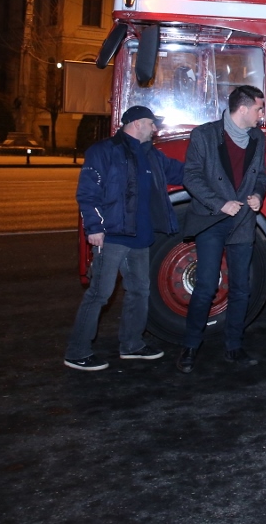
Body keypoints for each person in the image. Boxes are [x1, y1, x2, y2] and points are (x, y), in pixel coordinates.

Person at [64, 106, 183, 371]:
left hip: (140, 236)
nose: (155, 129)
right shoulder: (104, 151)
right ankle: (77, 351)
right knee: (99, 294)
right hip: (112, 236)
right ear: (137, 123)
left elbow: (182, 173)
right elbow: (87, 193)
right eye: (152, 124)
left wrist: (214, 173)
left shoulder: (152, 155)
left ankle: (132, 345)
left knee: (140, 291)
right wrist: (94, 227)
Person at [178, 85, 266, 372]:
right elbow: (191, 177)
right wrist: (221, 204)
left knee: (241, 288)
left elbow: (261, 177)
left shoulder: (257, 137)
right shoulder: (204, 135)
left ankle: (234, 346)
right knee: (206, 285)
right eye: (259, 108)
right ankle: (190, 346)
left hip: (242, 220)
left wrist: (258, 195)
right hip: (212, 219)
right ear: (243, 109)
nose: (262, 115)